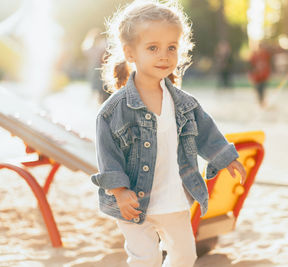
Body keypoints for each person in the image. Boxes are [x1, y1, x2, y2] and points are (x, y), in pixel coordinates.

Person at [90, 1, 246, 266]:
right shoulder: (112, 112)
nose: (164, 55)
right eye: (153, 48)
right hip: (133, 202)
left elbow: (206, 132)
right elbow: (108, 154)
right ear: (130, 52)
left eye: (171, 48)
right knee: (146, 258)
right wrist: (119, 190)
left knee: (185, 256)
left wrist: (224, 157)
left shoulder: (185, 103)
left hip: (172, 198)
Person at [248, 42, 271, 107]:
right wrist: (251, 73)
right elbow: (250, 65)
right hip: (257, 76)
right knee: (258, 89)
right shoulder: (254, 55)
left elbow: (269, 63)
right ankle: (260, 100)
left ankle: (262, 101)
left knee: (263, 89)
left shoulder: (266, 54)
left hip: (264, 75)